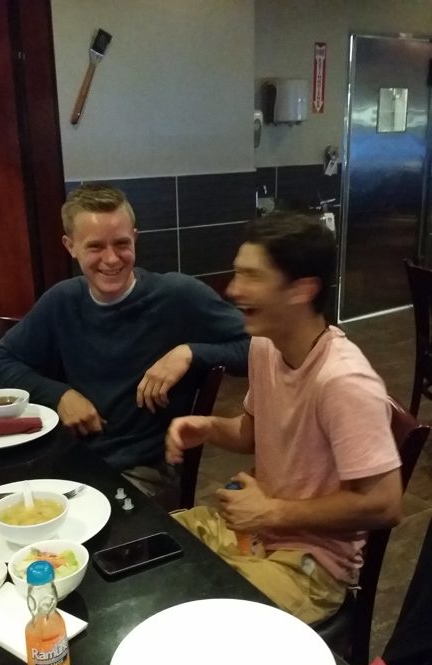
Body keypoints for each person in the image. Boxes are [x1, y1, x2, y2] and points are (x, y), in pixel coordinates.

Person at [166, 212, 403, 623]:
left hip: (311, 566)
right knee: (157, 548)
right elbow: (251, 433)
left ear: (302, 289)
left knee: (194, 614)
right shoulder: (265, 345)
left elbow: (385, 505)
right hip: (255, 533)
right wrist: (209, 427)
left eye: (252, 276)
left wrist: (271, 512)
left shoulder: (343, 381)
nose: (233, 289)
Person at [0, 183, 249, 505]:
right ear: (70, 246)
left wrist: (190, 353)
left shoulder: (178, 295)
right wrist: (61, 395)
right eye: (95, 247)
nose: (111, 259)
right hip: (66, 459)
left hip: (143, 470)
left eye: (122, 243)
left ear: (135, 238)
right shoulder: (62, 300)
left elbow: (259, 348)